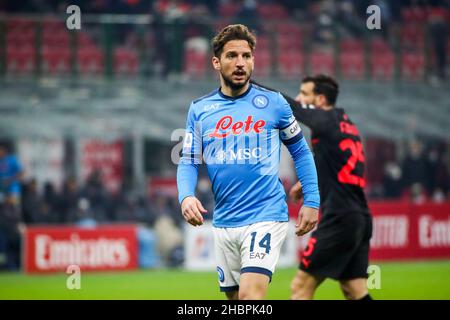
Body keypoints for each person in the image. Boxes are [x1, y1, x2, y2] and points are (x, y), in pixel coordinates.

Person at [176, 24, 320, 300]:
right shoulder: (200, 109)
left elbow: (301, 152)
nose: (241, 63)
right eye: (232, 56)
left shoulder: (274, 103)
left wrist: (312, 201)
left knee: (249, 299)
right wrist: (186, 197)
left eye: (246, 56)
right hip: (225, 221)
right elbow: (190, 160)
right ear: (216, 62)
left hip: (265, 215)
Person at [252, 75, 373, 300]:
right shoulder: (346, 123)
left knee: (300, 288)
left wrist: (250, 84)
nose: (299, 97)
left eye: (304, 94)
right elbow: (336, 162)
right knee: (354, 290)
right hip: (360, 217)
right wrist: (308, 182)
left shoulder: (325, 120)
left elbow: (293, 107)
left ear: (319, 99)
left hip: (339, 217)